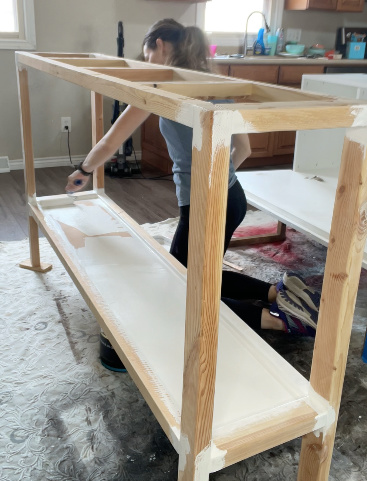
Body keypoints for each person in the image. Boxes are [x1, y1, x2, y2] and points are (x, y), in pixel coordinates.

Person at [66, 19, 320, 337]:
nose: (147, 63)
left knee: (180, 286)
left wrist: (84, 171)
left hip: (206, 204)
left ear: (158, 45)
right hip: (232, 198)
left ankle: (278, 320)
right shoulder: (215, 83)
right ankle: (280, 291)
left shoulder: (160, 88)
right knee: (199, 273)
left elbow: (111, 141)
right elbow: (244, 149)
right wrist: (217, 179)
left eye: (147, 55)